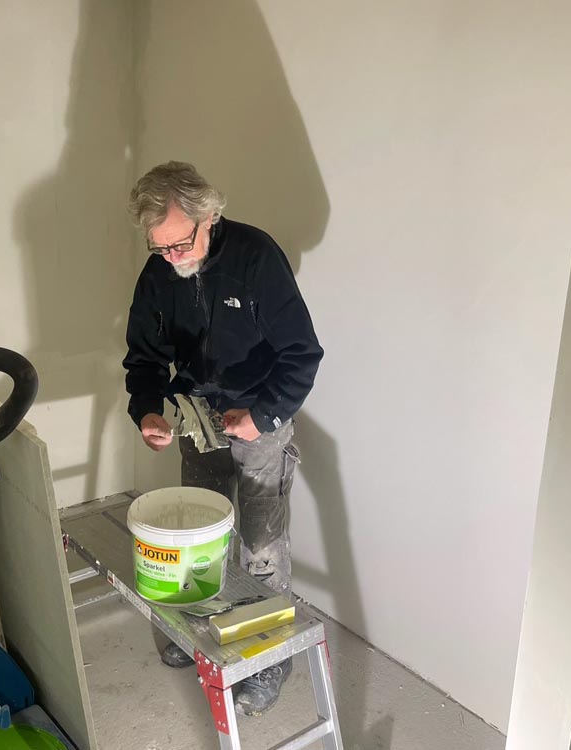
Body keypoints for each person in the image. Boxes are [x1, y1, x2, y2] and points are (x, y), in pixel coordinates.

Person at [123, 161, 323, 715]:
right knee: (199, 535)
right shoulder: (159, 273)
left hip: (260, 417)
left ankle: (267, 659)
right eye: (159, 247)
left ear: (209, 216)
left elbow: (302, 354)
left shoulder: (256, 259)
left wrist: (262, 416)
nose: (171, 257)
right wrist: (147, 411)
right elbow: (144, 358)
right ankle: (197, 633)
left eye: (180, 244)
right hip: (197, 415)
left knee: (261, 546)